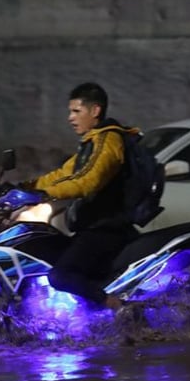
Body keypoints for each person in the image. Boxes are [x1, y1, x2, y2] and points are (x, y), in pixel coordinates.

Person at [22, 82, 139, 309]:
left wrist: (42, 193)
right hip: (91, 226)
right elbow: (64, 174)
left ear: (95, 111)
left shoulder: (109, 140)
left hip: (107, 229)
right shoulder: (92, 142)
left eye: (76, 111)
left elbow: (87, 181)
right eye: (70, 111)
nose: (70, 117)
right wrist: (25, 187)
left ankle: (118, 307)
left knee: (60, 276)